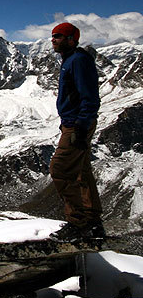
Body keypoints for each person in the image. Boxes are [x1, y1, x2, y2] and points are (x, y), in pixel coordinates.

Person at [49, 22, 104, 240]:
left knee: (61, 169)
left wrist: (80, 126)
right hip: (73, 122)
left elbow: (89, 96)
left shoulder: (78, 61)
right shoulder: (70, 60)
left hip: (77, 124)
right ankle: (92, 220)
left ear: (72, 39)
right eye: (53, 35)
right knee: (81, 170)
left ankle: (78, 222)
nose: (53, 39)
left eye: (59, 36)